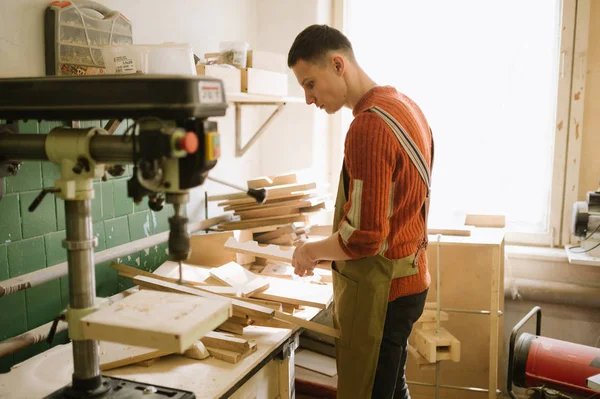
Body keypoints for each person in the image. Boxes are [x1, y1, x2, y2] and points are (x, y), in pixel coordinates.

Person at [288, 24, 434, 399]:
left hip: (383, 294)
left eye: (309, 84)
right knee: (391, 386)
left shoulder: (368, 127)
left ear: (338, 65)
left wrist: (310, 251)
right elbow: (399, 208)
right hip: (410, 278)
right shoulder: (405, 106)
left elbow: (365, 237)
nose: (308, 99)